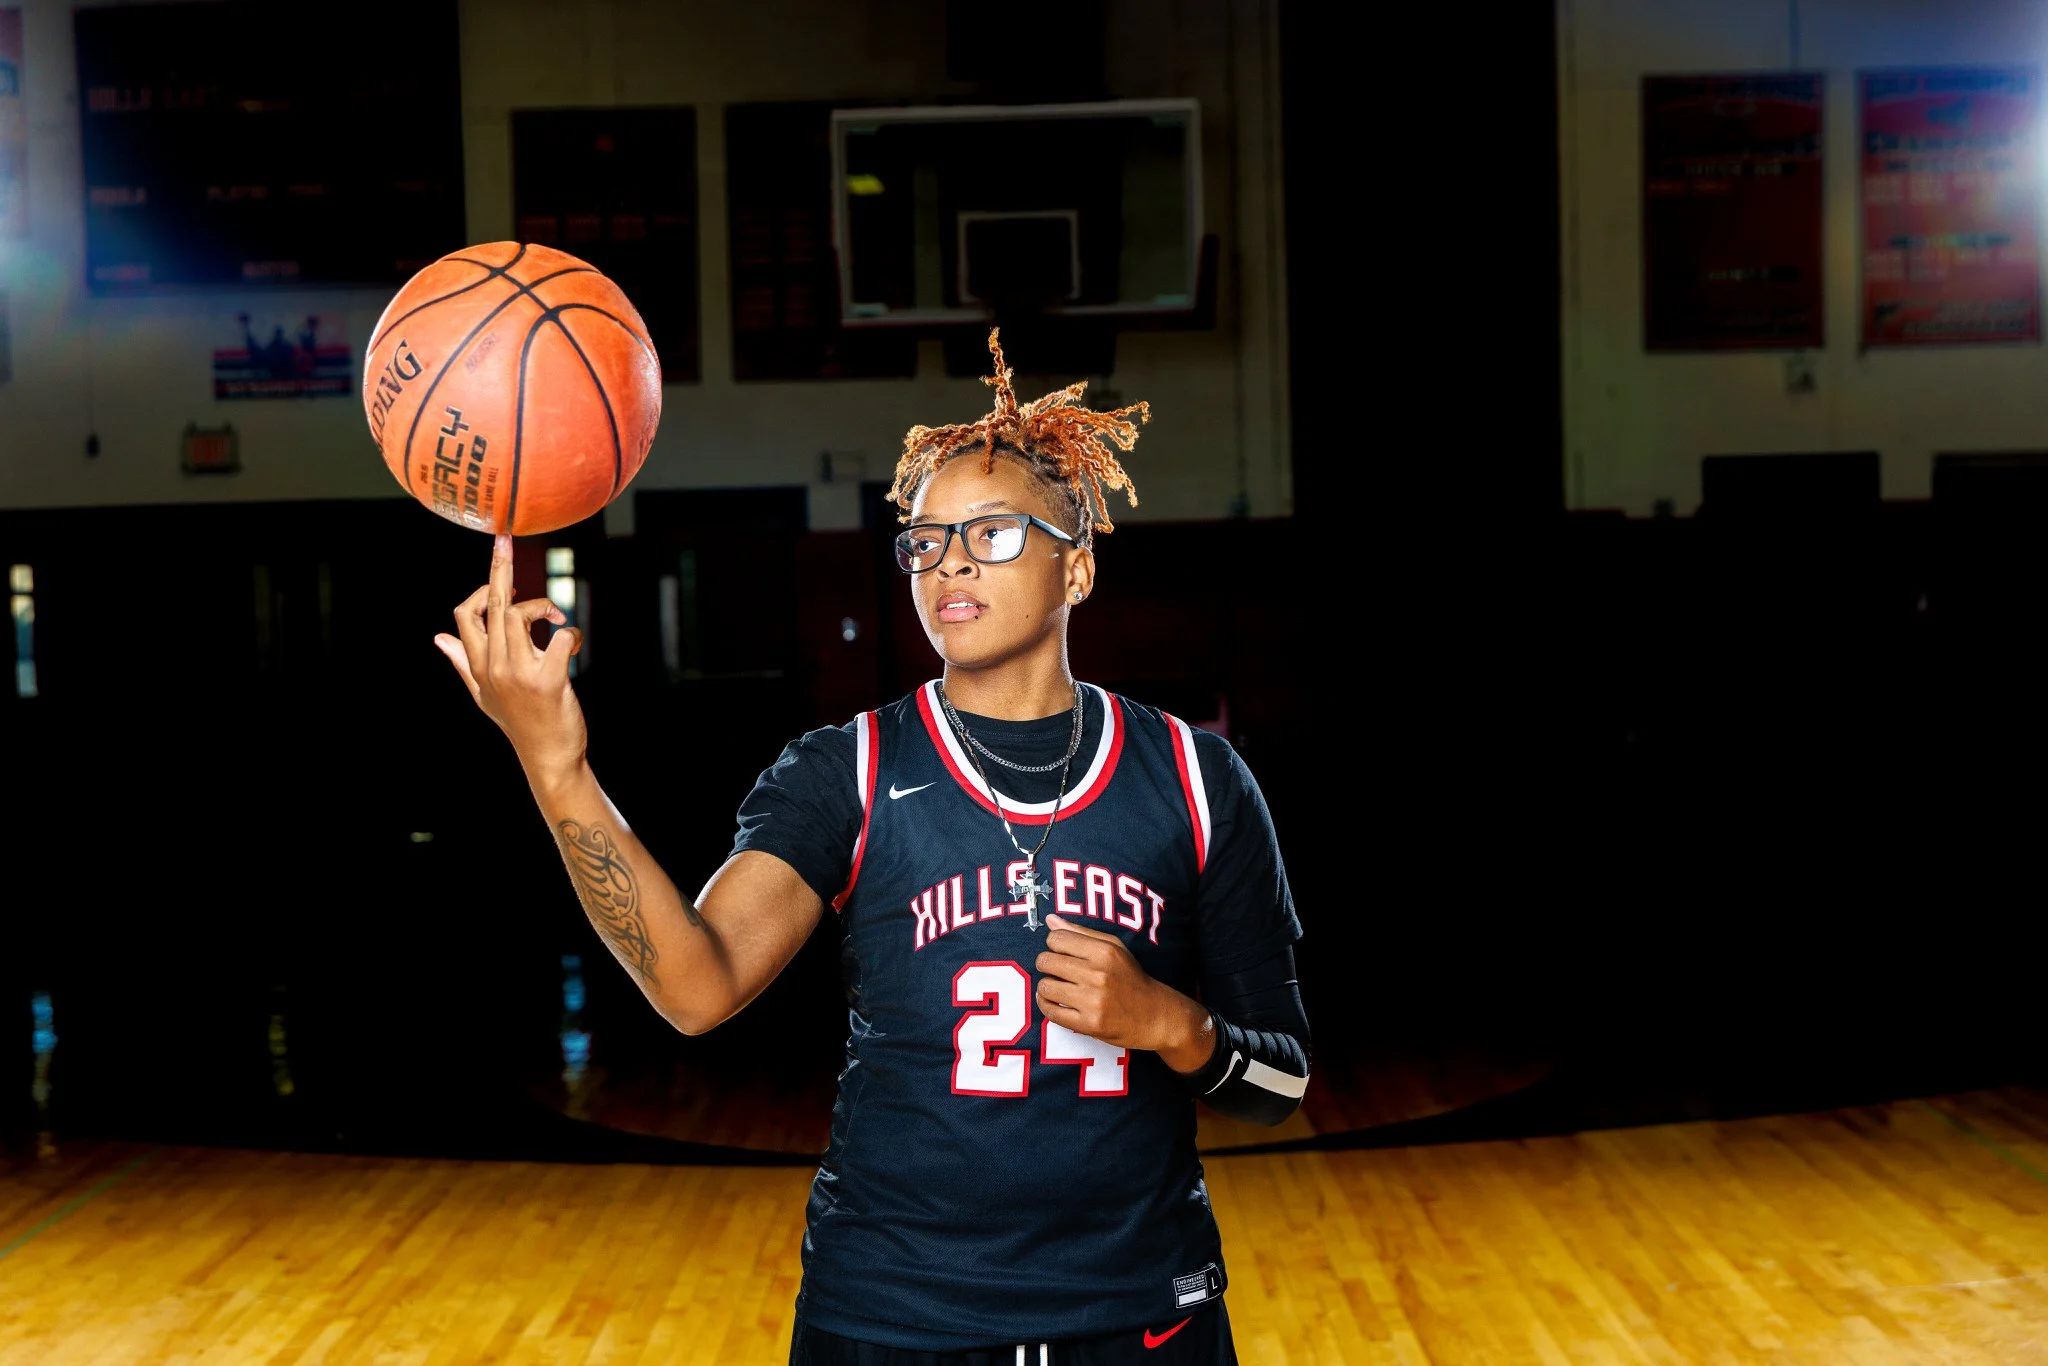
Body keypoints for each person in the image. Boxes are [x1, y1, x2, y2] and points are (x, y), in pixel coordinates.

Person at [433, 331, 1311, 1365]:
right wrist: (556, 767)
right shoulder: (842, 771)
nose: (949, 562)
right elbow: (694, 988)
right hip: (893, 1315)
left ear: (1075, 568)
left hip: (1140, 1314)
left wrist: (1171, 1023)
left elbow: (1282, 1086)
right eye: (925, 541)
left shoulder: (1196, 780)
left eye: (990, 534)